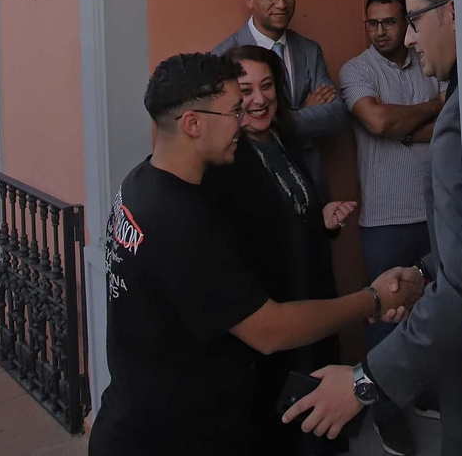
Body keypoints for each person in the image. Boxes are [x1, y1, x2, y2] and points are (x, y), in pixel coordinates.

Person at [88, 52, 424, 456]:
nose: (243, 119)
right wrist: (371, 299)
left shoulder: (142, 182)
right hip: (170, 437)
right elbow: (269, 331)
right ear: (193, 124)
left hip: (148, 420)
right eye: (233, 110)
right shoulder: (178, 218)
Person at [285, 0, 462, 455]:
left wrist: (362, 383)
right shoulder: (365, 72)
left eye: (412, 22)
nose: (410, 38)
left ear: (453, 12)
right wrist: (422, 271)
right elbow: (380, 124)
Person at [204, 45, 357, 454]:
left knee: (320, 424)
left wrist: (319, 220)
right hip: (270, 325)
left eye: (267, 85)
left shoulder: (282, 137)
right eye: (246, 89)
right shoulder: (227, 159)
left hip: (311, 310)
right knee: (282, 432)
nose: (259, 98)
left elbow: (289, 210)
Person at [337, 0, 444, 455]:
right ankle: (383, 409)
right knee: (384, 315)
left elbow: (443, 126)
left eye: (391, 22)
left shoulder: (427, 59)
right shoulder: (357, 70)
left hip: (435, 212)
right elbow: (378, 122)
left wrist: (409, 128)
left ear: (407, 23)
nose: (381, 31)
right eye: (373, 23)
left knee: (436, 310)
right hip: (384, 218)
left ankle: (422, 393)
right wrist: (434, 109)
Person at [214, 0, 350, 188]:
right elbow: (225, 124)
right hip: (254, 183)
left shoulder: (309, 51)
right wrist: (304, 113)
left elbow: (335, 115)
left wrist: (262, 119)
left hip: (310, 184)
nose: (281, 4)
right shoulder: (224, 55)